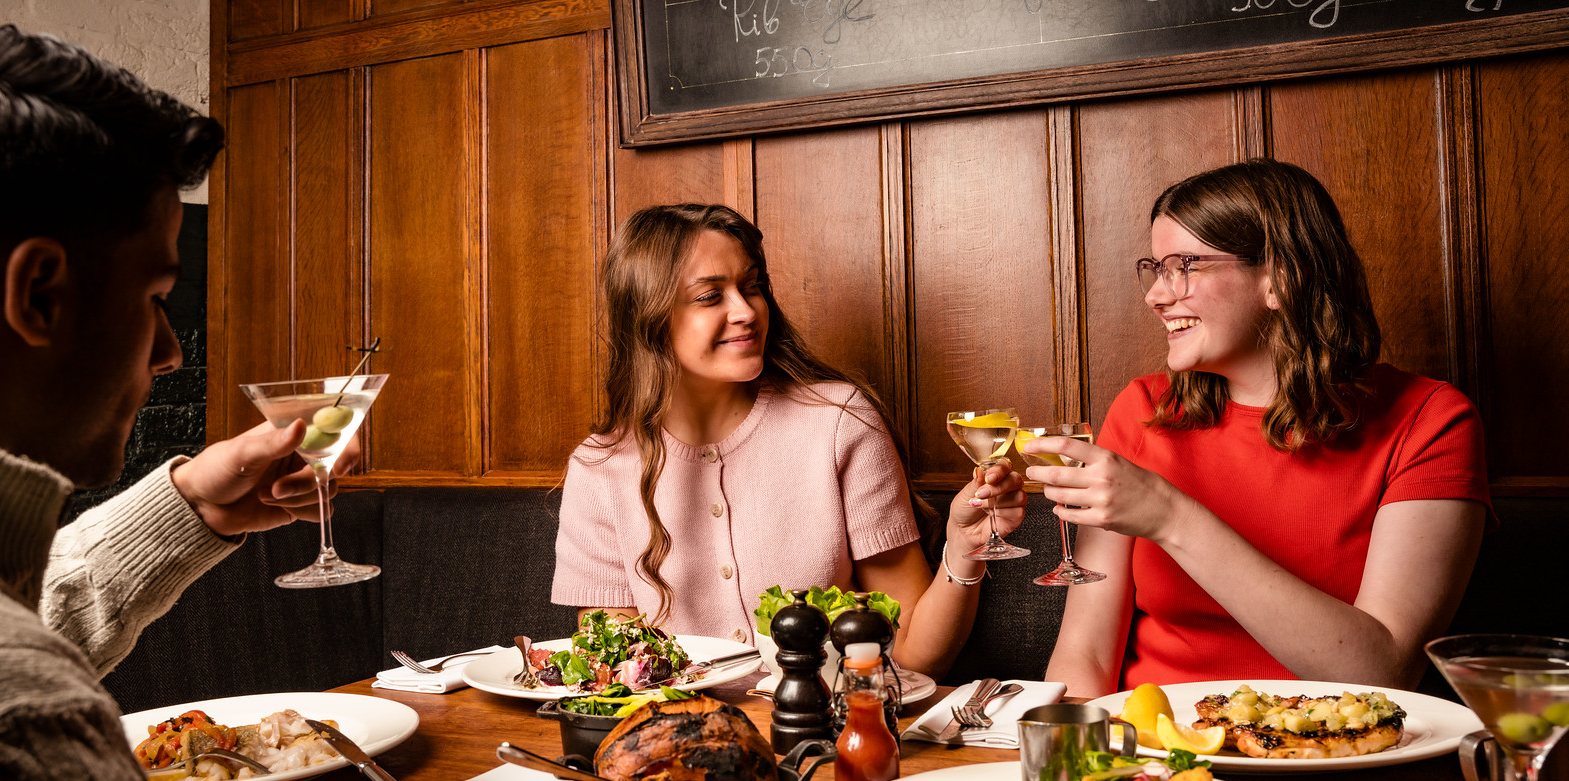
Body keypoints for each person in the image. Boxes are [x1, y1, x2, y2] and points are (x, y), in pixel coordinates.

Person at [0, 20, 384, 781]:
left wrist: (186, 506)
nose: (168, 349)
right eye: (157, 296)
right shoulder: (17, 720)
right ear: (40, 293)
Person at [1036, 158, 1490, 696]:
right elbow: (1083, 654)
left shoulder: (1430, 421)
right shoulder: (1141, 410)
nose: (1156, 295)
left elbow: (1384, 671)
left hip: (1335, 754)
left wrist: (1170, 516)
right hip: (1157, 753)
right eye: (1155, 269)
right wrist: (1070, 766)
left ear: (1281, 278)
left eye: (1185, 265)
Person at [551, 203, 1026, 678]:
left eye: (751, 286)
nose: (746, 311)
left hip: (822, 734)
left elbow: (915, 654)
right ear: (648, 318)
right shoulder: (600, 469)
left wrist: (963, 545)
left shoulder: (838, 422)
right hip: (675, 741)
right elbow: (617, 673)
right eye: (710, 295)